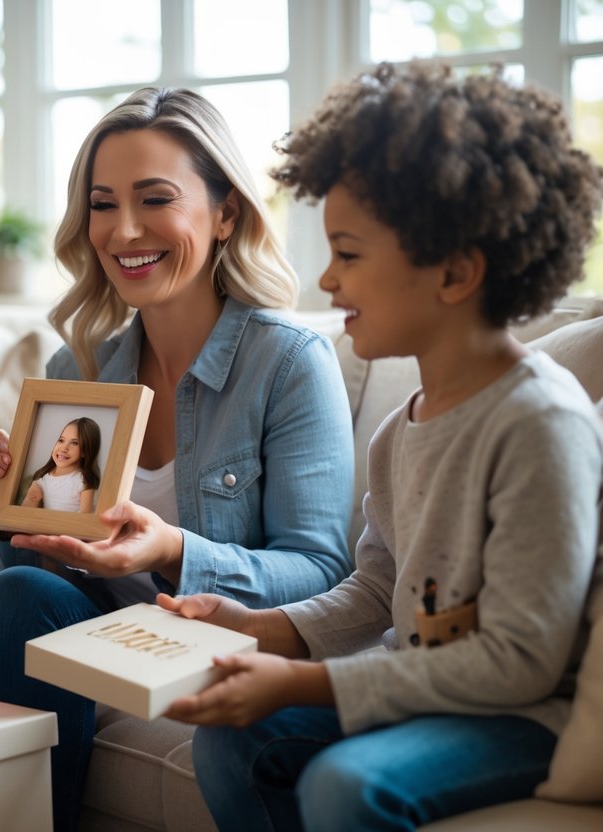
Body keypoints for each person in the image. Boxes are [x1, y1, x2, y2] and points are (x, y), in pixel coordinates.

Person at [164, 61, 603, 832]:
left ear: (456, 271)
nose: (326, 281)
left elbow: (520, 662)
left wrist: (306, 686)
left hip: (526, 714)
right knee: (232, 741)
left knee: (345, 784)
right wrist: (256, 626)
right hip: (429, 688)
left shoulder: (540, 422)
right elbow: (376, 593)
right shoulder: (401, 429)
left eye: (349, 253)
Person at [0, 86, 356, 830]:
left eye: (155, 199)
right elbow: (36, 593)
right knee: (5, 600)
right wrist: (3, 517)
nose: (123, 230)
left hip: (224, 640)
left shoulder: (288, 360)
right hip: (108, 639)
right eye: (102, 204)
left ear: (225, 211)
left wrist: (174, 551)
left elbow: (321, 568)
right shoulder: (75, 366)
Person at [21, 417, 101, 512]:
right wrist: (32, 497)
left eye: (74, 443)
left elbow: (84, 520)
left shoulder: (83, 482)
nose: (64, 448)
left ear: (85, 451)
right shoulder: (42, 480)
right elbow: (24, 513)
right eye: (61, 440)